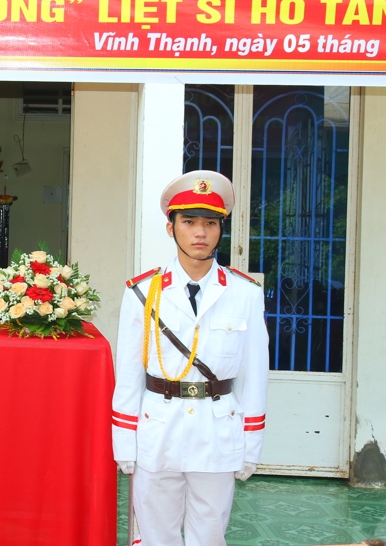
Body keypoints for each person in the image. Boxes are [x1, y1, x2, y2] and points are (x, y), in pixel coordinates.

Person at [111, 170, 270, 546]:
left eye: (210, 223)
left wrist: (252, 442)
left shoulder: (245, 294)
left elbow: (254, 375)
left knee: (210, 535)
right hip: (157, 427)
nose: (200, 233)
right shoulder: (141, 292)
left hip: (218, 430)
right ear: (171, 228)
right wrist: (124, 440)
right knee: (155, 535)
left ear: (220, 230)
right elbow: (130, 373)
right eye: (189, 222)